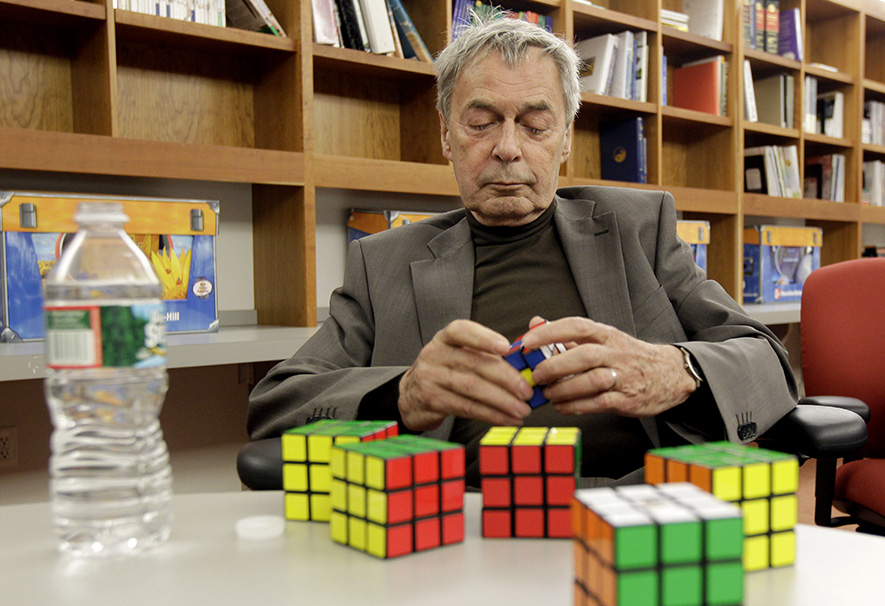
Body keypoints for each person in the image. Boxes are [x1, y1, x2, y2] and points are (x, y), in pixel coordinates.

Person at [247, 15, 799, 486]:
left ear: (566, 138)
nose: (507, 149)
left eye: (535, 126)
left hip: (634, 505)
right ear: (446, 135)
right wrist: (403, 394)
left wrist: (675, 369)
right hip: (461, 521)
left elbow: (769, 362)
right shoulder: (383, 262)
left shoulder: (639, 229)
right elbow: (277, 403)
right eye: (481, 123)